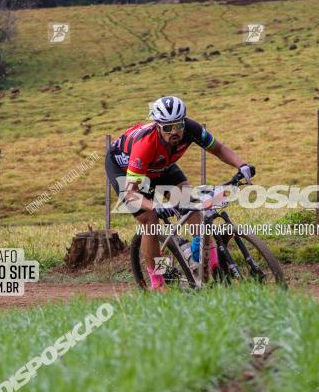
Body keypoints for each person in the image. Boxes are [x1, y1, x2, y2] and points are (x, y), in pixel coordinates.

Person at [107, 96, 255, 290]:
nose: (175, 132)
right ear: (158, 126)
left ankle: (203, 265)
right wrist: (156, 206)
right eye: (168, 128)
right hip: (128, 171)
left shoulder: (191, 129)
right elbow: (130, 194)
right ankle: (158, 281)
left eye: (178, 125)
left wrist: (241, 165)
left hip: (162, 164)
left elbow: (218, 149)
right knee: (150, 220)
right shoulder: (145, 144)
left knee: (190, 206)